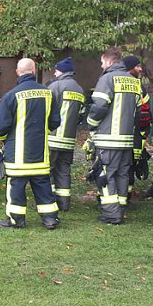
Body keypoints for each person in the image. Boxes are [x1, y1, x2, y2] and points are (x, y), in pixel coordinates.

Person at [0, 58, 61, 228]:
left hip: (17, 154)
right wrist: (42, 132)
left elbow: (1, 126)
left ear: (18, 73)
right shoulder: (48, 93)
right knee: (43, 185)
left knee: (16, 187)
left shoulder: (11, 95)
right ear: (34, 70)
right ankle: (50, 219)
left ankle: (16, 220)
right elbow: (55, 121)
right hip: (40, 152)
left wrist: (6, 139)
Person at [86, 47, 141, 224]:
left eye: (102, 62)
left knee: (106, 174)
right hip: (127, 139)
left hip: (108, 139)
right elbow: (138, 111)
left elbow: (99, 106)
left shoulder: (107, 78)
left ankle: (111, 214)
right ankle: (120, 208)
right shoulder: (133, 81)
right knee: (122, 174)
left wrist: (91, 123)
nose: (101, 66)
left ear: (109, 61)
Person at [47, 57, 85, 211]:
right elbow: (81, 115)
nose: (54, 73)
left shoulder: (55, 86)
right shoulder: (79, 89)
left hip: (52, 137)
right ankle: (64, 204)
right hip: (68, 140)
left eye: (56, 70)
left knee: (47, 171)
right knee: (63, 170)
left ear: (62, 71)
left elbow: (46, 110)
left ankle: (48, 202)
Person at [123, 55, 152, 200]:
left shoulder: (140, 86)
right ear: (129, 68)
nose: (140, 69)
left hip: (135, 133)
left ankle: (126, 193)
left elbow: (145, 111)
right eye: (137, 66)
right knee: (126, 164)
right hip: (130, 133)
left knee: (130, 164)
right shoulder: (133, 85)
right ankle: (124, 194)